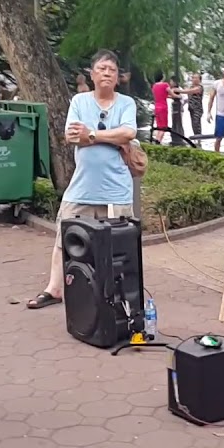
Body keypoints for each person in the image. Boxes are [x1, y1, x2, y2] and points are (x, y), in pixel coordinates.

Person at [26, 49, 138, 310]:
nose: (107, 73)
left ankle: (121, 294)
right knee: (65, 238)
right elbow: (72, 136)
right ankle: (55, 289)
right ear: (92, 74)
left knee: (121, 243)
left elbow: (128, 133)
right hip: (82, 187)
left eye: (112, 70)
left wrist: (92, 136)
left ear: (118, 76)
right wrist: (108, 137)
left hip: (116, 190)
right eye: (102, 69)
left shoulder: (126, 103)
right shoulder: (79, 101)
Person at [152, 72, 171, 143]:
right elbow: (171, 93)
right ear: (162, 76)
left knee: (159, 126)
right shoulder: (165, 85)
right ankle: (158, 141)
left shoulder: (154, 86)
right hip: (163, 107)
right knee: (163, 127)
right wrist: (178, 96)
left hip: (156, 107)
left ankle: (157, 140)